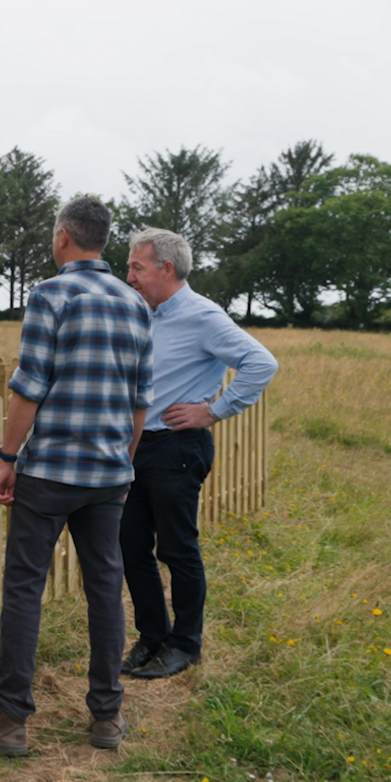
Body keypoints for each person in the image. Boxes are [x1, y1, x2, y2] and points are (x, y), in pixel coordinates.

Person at [0, 195, 156, 757]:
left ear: (64, 236)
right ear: (103, 240)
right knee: (106, 590)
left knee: (24, 589)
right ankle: (107, 717)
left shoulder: (51, 294)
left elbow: (29, 385)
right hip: (110, 474)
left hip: (49, 473)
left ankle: (9, 717)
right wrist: (123, 458)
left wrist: (7, 458)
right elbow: (141, 400)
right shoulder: (135, 304)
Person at [118, 227, 278, 680]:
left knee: (177, 548)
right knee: (131, 546)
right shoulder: (145, 313)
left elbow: (261, 363)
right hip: (136, 447)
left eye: (136, 267)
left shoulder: (203, 316)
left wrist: (215, 411)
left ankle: (186, 645)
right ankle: (152, 638)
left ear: (166, 269)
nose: (129, 275)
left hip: (177, 449)